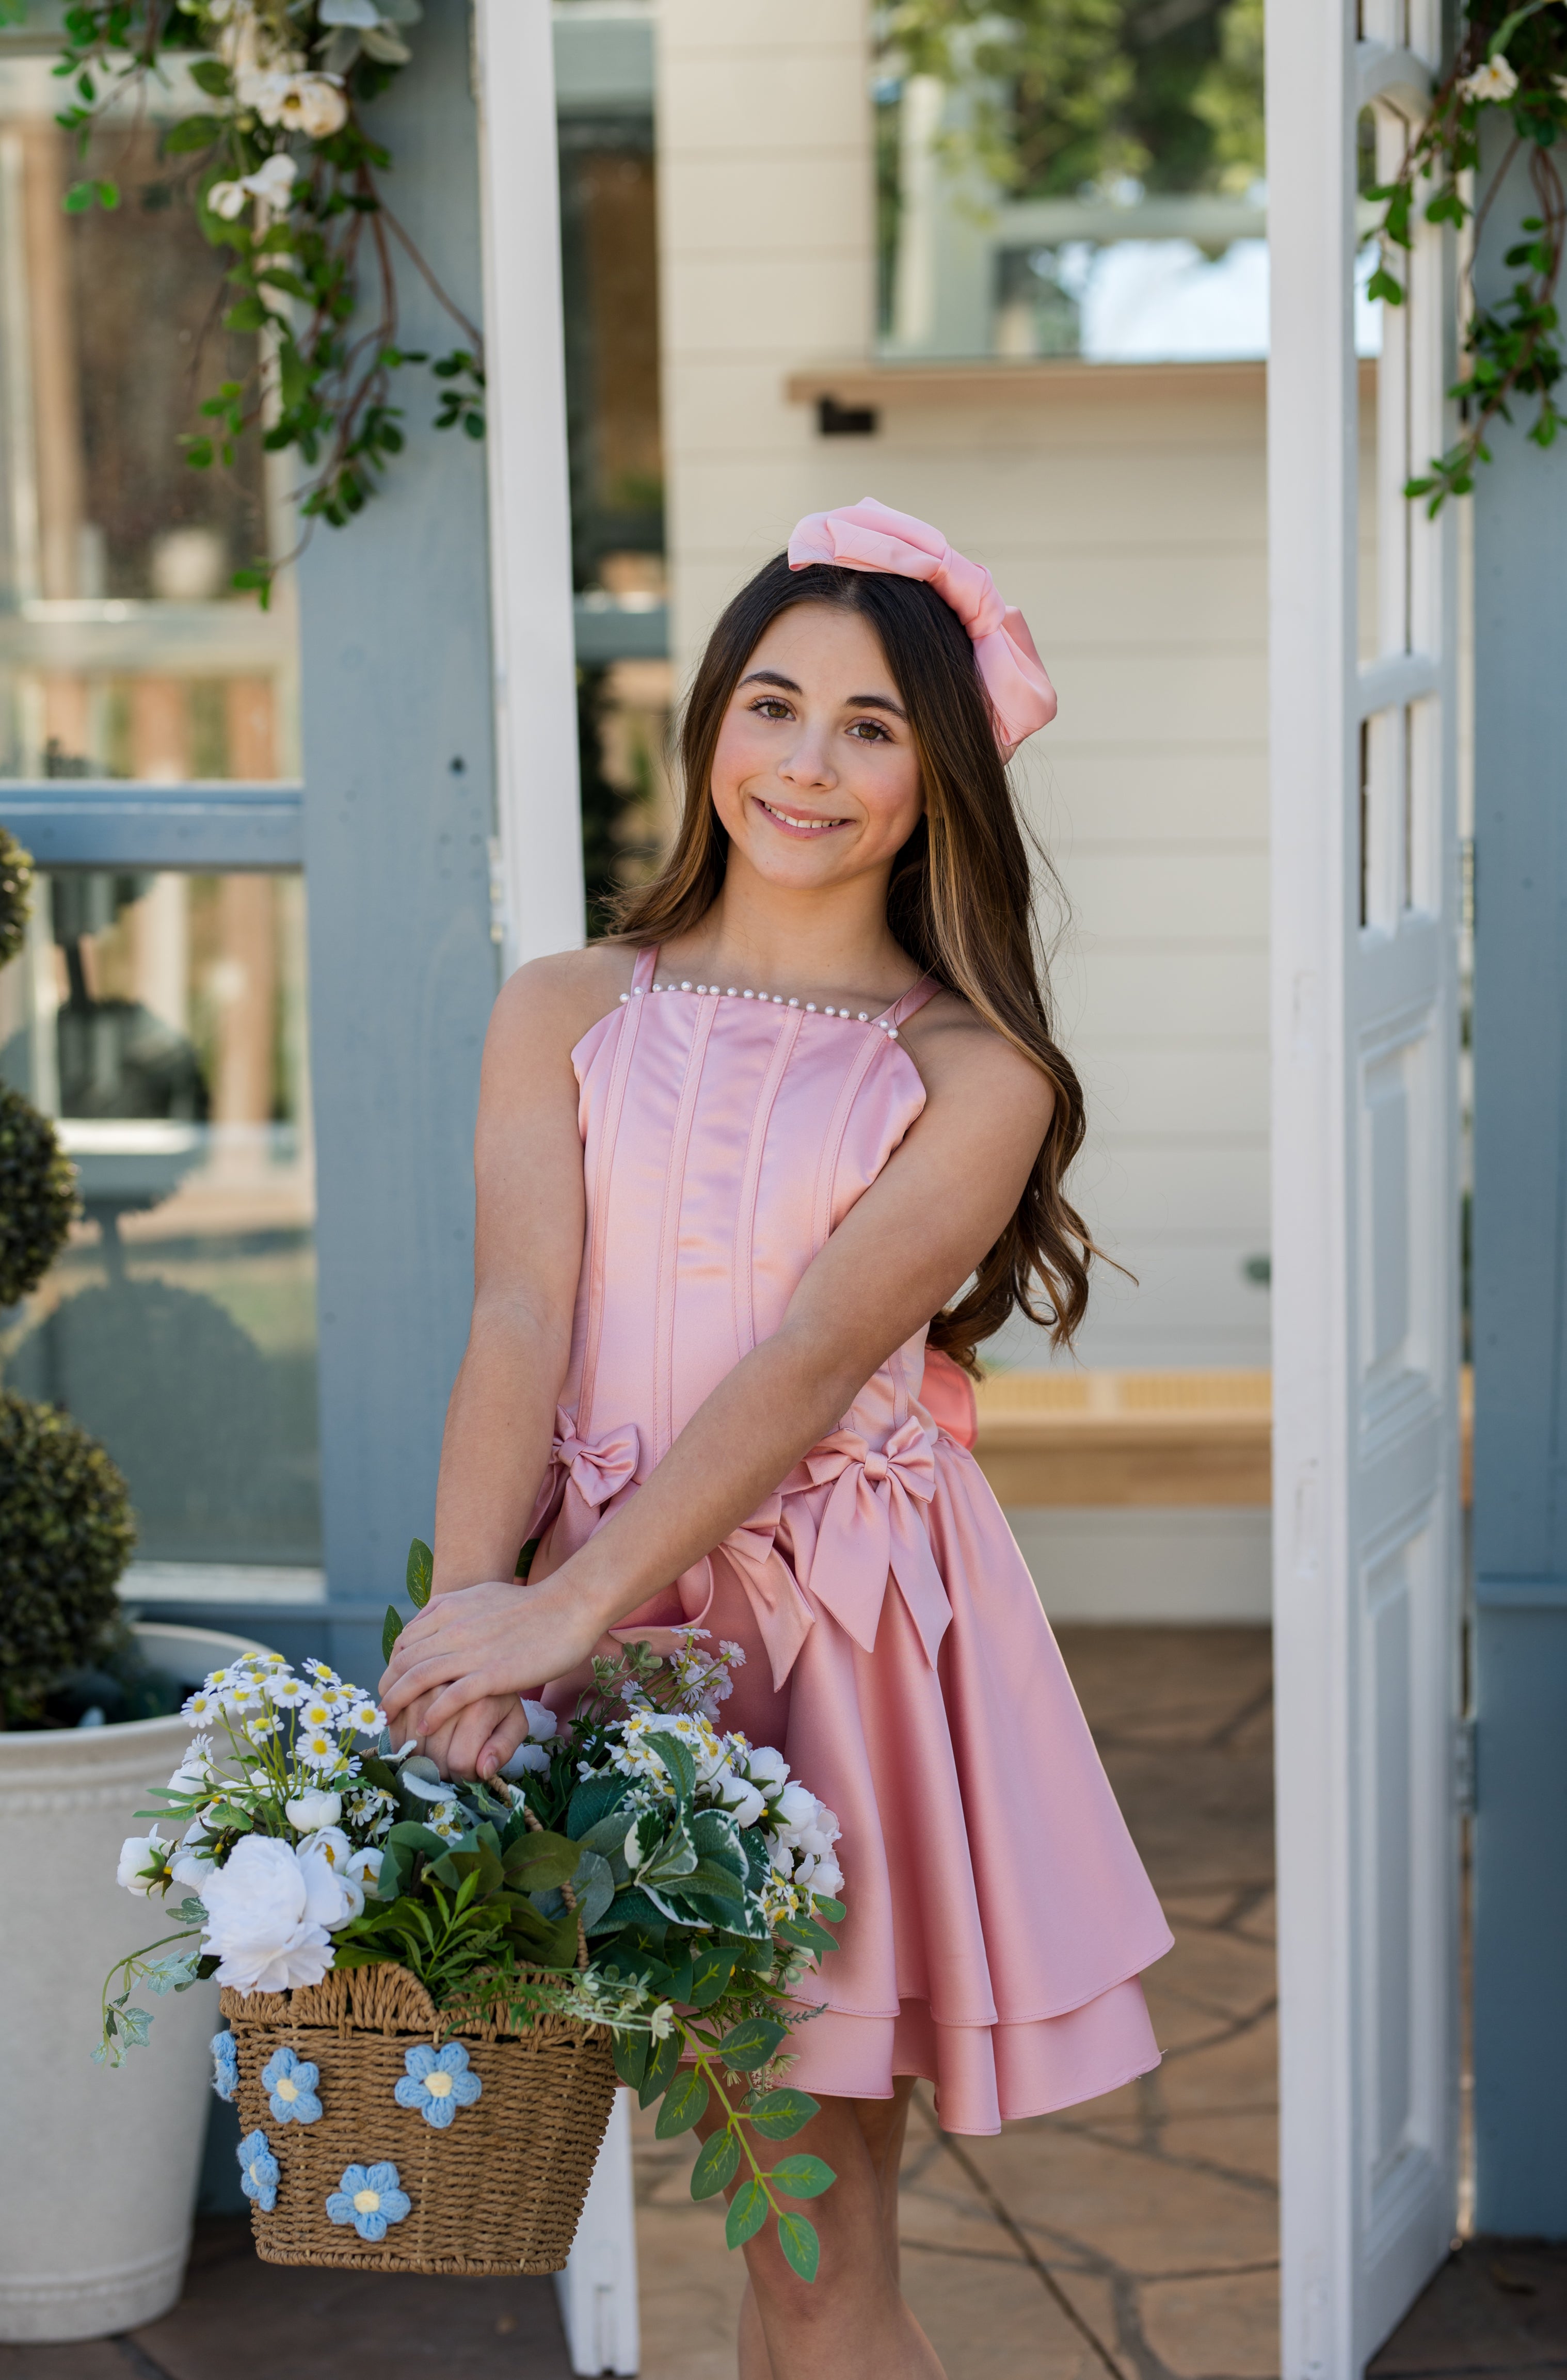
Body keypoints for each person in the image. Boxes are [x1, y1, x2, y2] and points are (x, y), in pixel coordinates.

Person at [379, 498, 1173, 2379]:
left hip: (832, 1654)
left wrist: (568, 1608)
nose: (806, 763)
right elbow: (517, 1316)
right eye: (771, 701)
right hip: (582, 1614)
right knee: (695, 2216)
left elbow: (814, 1355)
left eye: (873, 725)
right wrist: (472, 1609)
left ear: (938, 776)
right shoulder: (567, 1007)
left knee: (807, 2245)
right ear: (706, 724)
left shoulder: (974, 1074)